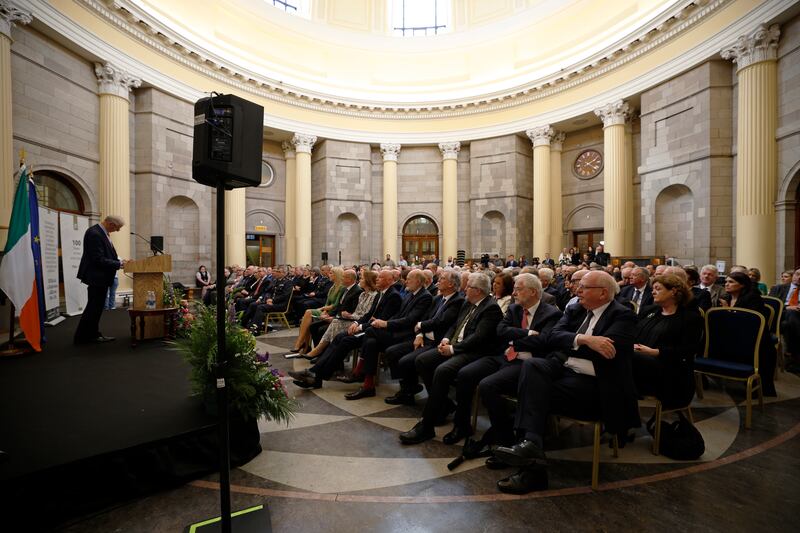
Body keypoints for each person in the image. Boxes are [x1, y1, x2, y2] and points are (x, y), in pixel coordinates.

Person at [492, 271, 639, 494]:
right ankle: (529, 449)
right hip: (563, 368)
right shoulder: (576, 309)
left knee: (533, 392)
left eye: (584, 287)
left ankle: (528, 458)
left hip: (595, 384)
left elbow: (605, 354)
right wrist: (584, 339)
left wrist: (570, 344)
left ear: (603, 293)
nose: (577, 290)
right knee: (532, 368)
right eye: (578, 285)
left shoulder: (623, 316)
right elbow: (552, 337)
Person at [399, 273, 503, 444]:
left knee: (443, 370)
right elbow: (455, 325)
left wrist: (453, 349)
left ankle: (427, 425)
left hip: (475, 352)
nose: (464, 289)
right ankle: (442, 404)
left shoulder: (490, 308)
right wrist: (447, 339)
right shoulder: (468, 303)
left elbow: (479, 338)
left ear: (477, 290)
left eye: (468, 286)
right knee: (423, 361)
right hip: (457, 346)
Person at [632, 274, 704, 409]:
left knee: (624, 361)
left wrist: (655, 352)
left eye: (658, 288)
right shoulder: (650, 310)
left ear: (674, 291)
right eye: (653, 288)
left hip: (672, 371)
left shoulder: (690, 318)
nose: (653, 291)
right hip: (640, 364)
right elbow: (634, 334)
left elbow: (688, 350)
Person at [721, 271, 777, 396]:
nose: (726, 284)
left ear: (742, 285)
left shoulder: (753, 297)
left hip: (753, 335)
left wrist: (728, 310)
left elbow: (752, 320)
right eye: (726, 282)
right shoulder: (726, 297)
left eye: (731, 282)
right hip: (732, 334)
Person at [74, 215, 127, 344]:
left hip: (101, 277)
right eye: (117, 228)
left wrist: (120, 261)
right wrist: (119, 264)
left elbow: (107, 255)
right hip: (96, 277)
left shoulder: (102, 233)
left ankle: (91, 335)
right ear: (110, 223)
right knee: (93, 308)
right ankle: (83, 337)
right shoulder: (95, 234)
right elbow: (98, 259)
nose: (118, 231)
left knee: (95, 308)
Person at [299, 269, 372, 360]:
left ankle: (324, 355)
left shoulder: (357, 291)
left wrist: (334, 317)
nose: (341, 278)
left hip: (349, 320)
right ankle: (320, 354)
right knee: (313, 327)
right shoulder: (347, 289)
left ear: (349, 279)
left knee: (322, 329)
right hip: (341, 317)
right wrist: (330, 315)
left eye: (344, 277)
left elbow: (352, 310)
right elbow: (339, 306)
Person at [289, 267, 346, 354]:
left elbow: (336, 305)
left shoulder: (341, 287)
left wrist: (323, 309)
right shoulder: (333, 287)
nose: (329, 274)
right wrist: (323, 310)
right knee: (307, 318)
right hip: (327, 310)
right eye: (329, 273)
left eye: (331, 273)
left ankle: (301, 343)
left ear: (337, 275)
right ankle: (304, 345)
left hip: (333, 312)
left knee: (308, 312)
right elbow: (327, 303)